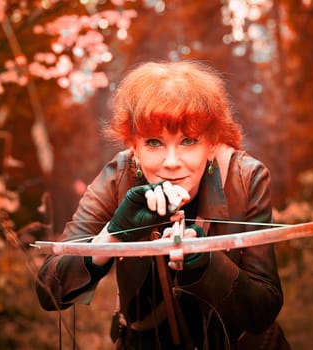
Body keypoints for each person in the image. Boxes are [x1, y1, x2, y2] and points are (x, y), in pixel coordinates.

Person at [35, 60, 290, 349]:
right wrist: (113, 235)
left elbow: (263, 310)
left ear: (211, 145)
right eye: (154, 142)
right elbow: (48, 290)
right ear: (133, 146)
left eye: (189, 141)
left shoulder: (246, 177)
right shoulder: (116, 177)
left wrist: (206, 262)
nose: (171, 162)